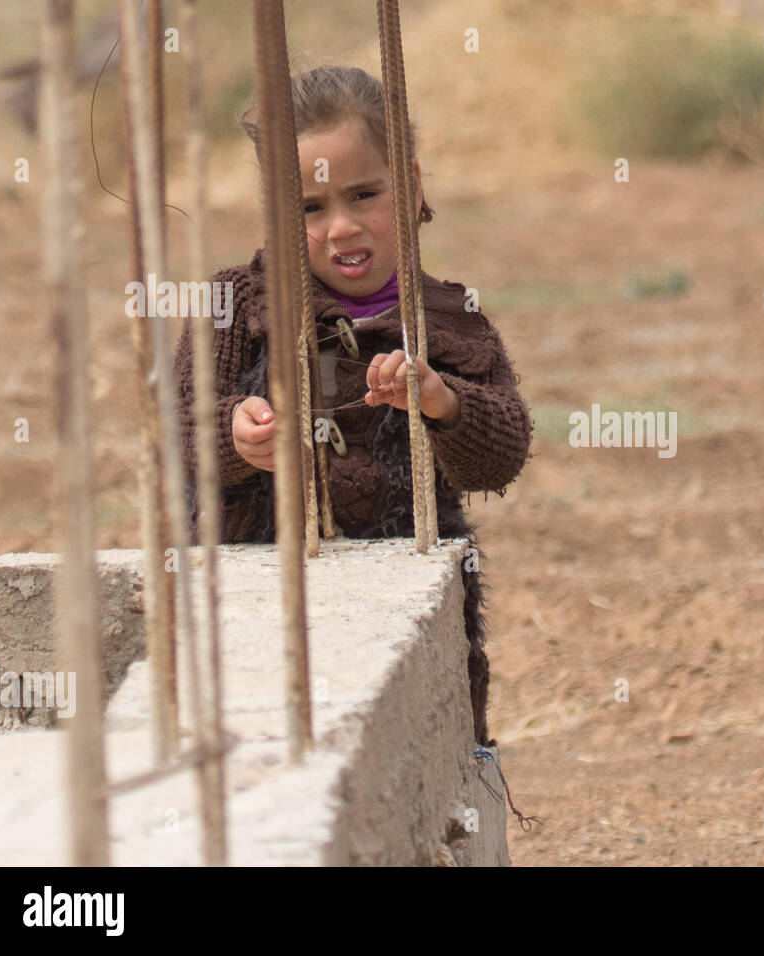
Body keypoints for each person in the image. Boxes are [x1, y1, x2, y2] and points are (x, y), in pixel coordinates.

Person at [172, 65, 533, 746]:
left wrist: (442, 402)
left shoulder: (448, 319)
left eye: (364, 195)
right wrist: (233, 437)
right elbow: (176, 430)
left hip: (400, 620)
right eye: (310, 208)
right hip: (254, 614)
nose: (342, 227)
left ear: (412, 186)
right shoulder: (232, 309)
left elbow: (502, 453)